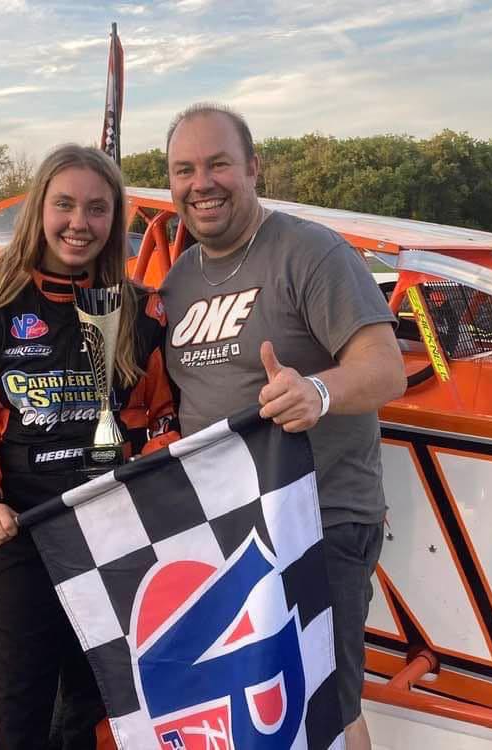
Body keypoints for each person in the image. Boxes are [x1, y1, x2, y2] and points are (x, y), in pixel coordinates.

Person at [161, 104, 406, 750]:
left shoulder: (310, 251)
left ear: (253, 169)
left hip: (319, 520)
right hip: (227, 530)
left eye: (218, 164)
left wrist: (319, 392)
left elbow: (386, 368)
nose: (201, 183)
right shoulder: (180, 279)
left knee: (329, 706)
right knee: (252, 702)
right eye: (184, 170)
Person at [0, 144, 180, 750]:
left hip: (118, 533)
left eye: (98, 209)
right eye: (65, 204)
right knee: (12, 715)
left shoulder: (144, 311)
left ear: (116, 218)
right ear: (38, 209)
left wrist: (153, 477)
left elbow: (164, 415)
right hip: (21, 534)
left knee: (105, 711)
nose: (80, 222)